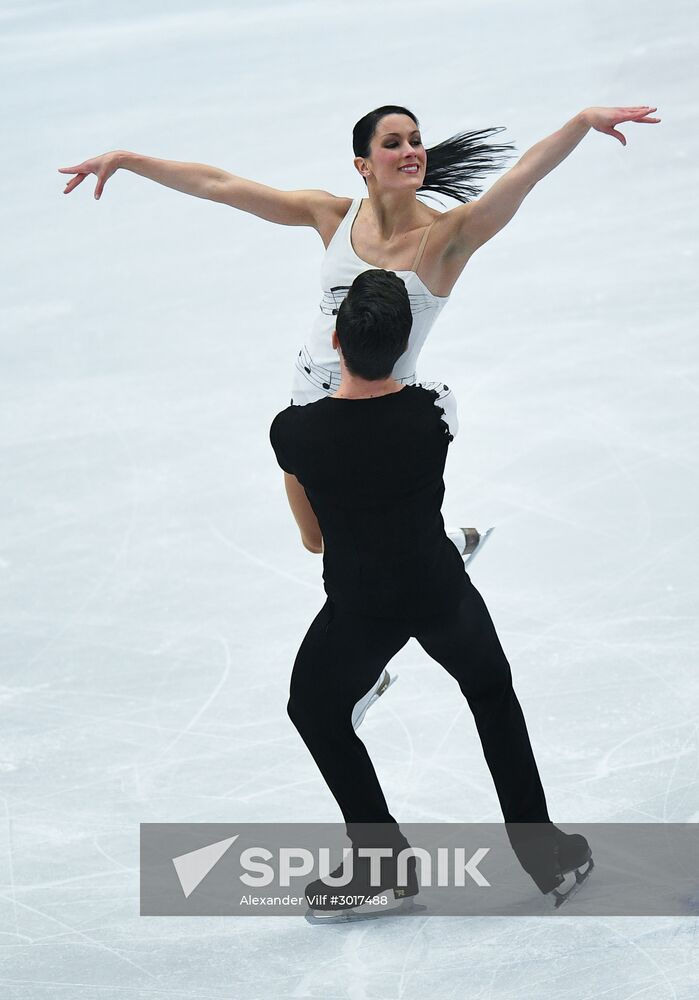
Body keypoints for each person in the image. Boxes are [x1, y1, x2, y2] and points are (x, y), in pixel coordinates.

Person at [58, 103, 659, 730]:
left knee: (360, 547)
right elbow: (223, 186)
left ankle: (409, 604)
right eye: (394, 142)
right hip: (308, 408)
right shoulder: (331, 215)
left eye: (416, 141)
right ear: (362, 164)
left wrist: (582, 122)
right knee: (316, 540)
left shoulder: (449, 236)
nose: (411, 151)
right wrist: (129, 161)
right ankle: (427, 579)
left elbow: (523, 177)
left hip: (376, 415)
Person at [270, 269, 594, 920]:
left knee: (314, 709)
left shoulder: (294, 434)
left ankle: (380, 861)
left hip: (360, 607)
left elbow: (312, 539)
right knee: (490, 696)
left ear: (334, 341)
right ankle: (547, 857)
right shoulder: (433, 408)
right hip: (439, 590)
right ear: (403, 341)